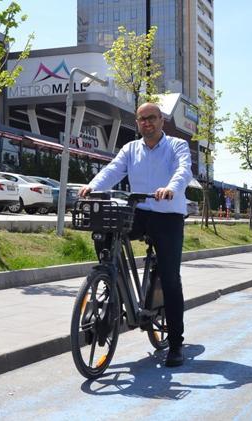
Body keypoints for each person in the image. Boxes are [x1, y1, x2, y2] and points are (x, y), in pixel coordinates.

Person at [79, 102, 192, 368]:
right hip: (139, 212)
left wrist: (171, 188)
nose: (146, 123)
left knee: (170, 277)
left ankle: (175, 344)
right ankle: (111, 279)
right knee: (105, 229)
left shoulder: (176, 146)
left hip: (168, 214)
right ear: (137, 122)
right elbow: (112, 171)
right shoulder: (130, 149)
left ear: (161, 120)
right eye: (141, 119)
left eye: (151, 118)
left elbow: (183, 170)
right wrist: (93, 187)